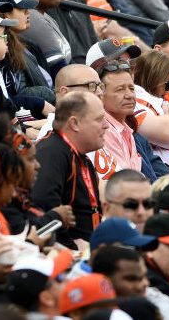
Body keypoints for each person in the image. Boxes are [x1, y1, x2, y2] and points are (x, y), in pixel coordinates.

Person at [31, 91, 108, 246]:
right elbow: (41, 213)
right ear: (74, 123)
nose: (106, 125)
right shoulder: (51, 153)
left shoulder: (78, 155)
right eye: (99, 119)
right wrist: (71, 247)